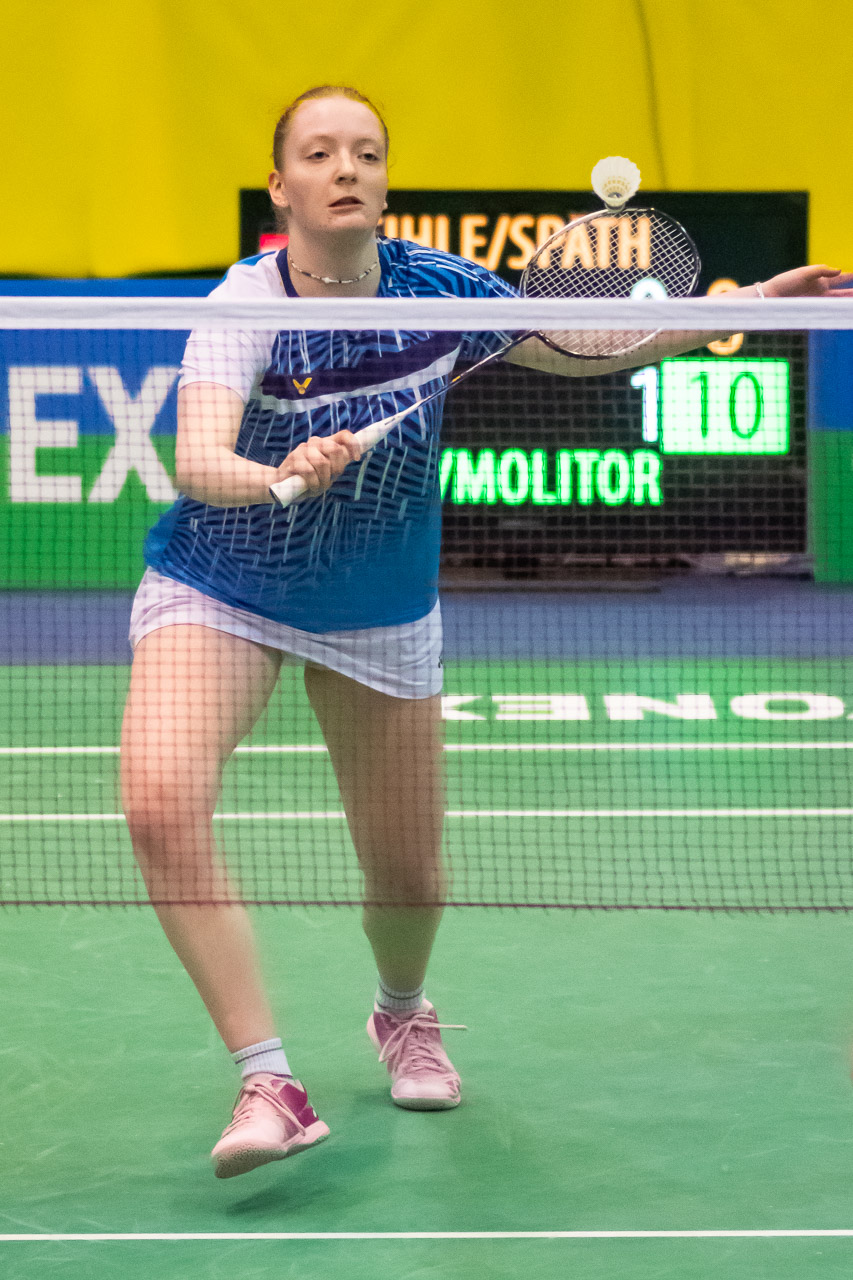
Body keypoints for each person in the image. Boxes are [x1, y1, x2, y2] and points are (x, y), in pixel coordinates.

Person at [120, 84, 853, 1180]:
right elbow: (196, 461)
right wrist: (281, 476)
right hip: (224, 584)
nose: (344, 168)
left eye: (365, 152)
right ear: (281, 186)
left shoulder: (442, 289)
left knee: (409, 879)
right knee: (157, 801)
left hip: (378, 605)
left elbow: (588, 347)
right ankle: (267, 1080)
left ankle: (401, 1010)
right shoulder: (247, 301)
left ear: (383, 180)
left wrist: (754, 307)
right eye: (318, 154)